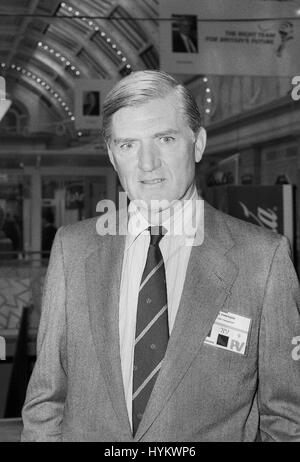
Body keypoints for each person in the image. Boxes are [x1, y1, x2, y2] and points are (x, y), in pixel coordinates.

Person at [21, 70, 300, 442]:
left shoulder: (263, 260)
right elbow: (46, 399)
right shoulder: (73, 248)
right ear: (111, 155)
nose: (147, 163)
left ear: (197, 143)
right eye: (128, 145)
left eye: (165, 139)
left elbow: (286, 417)